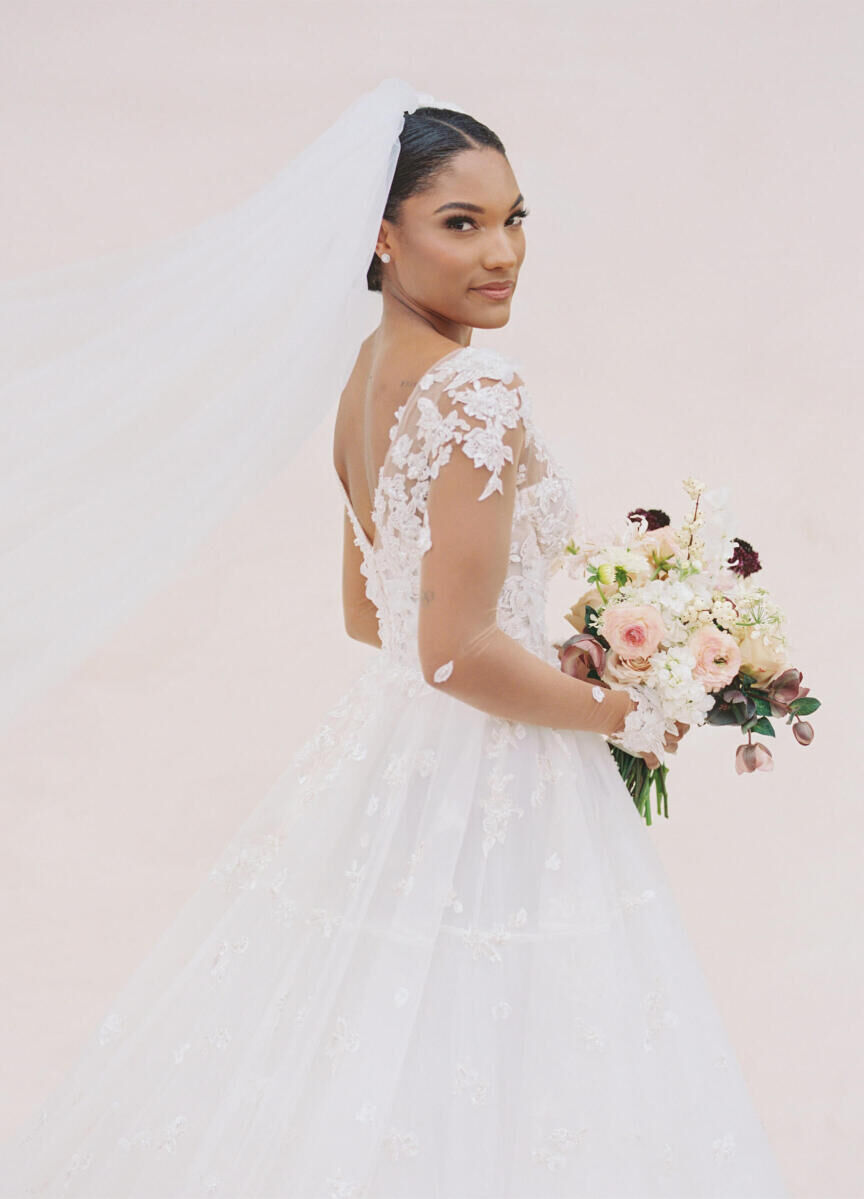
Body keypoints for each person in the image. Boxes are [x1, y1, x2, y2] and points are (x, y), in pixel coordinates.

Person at [0, 84, 790, 1198]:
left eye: (514, 218)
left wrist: (551, 651)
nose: (500, 252)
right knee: (516, 1045)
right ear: (383, 235)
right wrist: (635, 708)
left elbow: (372, 614)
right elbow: (456, 651)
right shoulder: (476, 386)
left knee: (380, 1031)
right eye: (458, 223)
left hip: (399, 757)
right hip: (495, 770)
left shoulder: (366, 380)